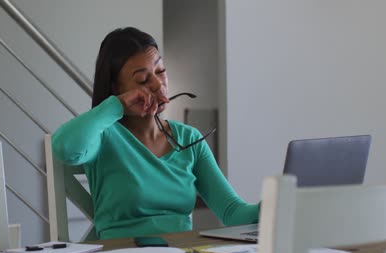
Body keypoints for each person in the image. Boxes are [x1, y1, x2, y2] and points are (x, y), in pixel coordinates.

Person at [52, 27, 260, 240]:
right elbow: (64, 147)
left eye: (160, 71)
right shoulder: (103, 136)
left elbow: (232, 212)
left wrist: (273, 206)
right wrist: (116, 105)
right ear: (116, 88)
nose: (158, 83)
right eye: (142, 79)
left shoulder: (189, 139)